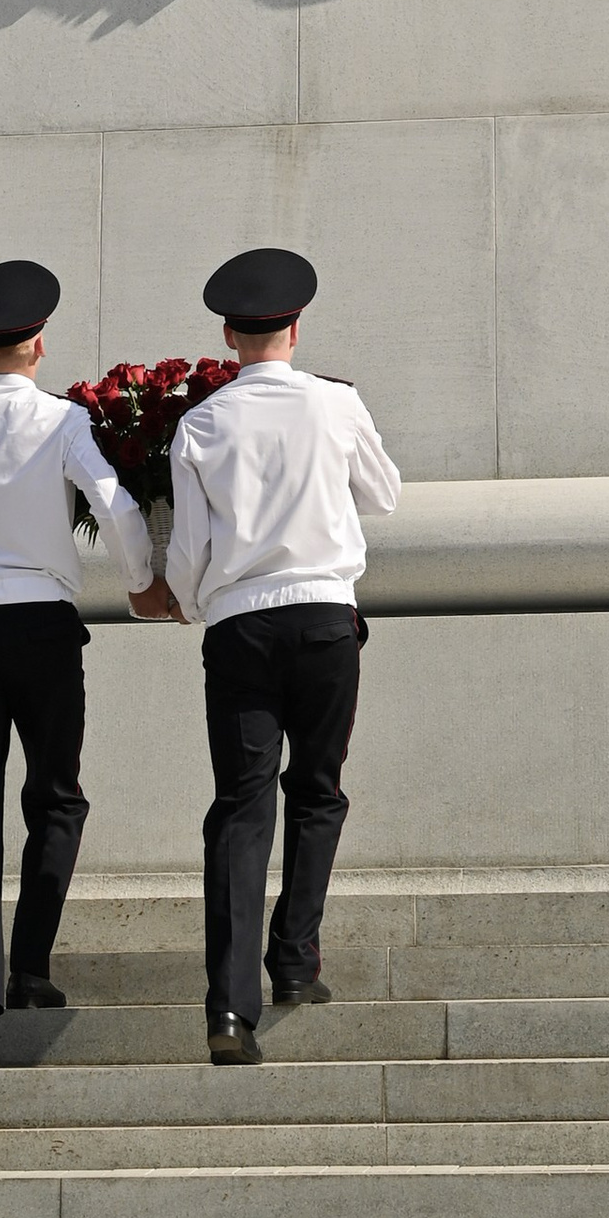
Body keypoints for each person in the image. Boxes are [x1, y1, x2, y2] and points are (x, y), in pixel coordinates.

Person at [0, 258, 173, 1069]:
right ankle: (28, 967)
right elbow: (117, 505)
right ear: (38, 343)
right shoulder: (61, 420)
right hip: (41, 625)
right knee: (55, 800)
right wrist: (143, 582)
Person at [168, 247, 401, 1065]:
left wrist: (198, 605)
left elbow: (189, 552)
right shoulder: (336, 404)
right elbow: (386, 492)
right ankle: (296, 963)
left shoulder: (200, 421)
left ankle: (229, 1013)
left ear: (229, 333)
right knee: (318, 792)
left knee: (239, 806)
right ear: (296, 328)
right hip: (325, 620)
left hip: (240, 627)